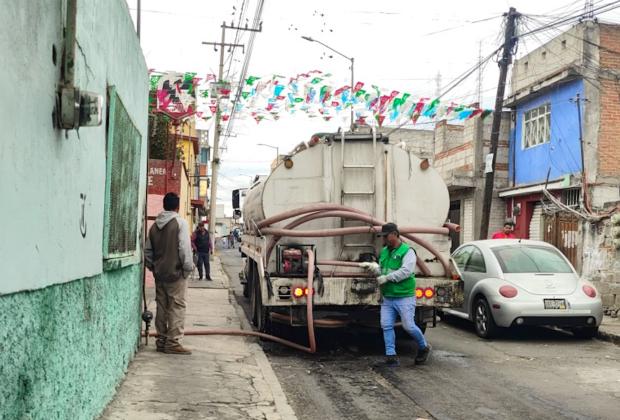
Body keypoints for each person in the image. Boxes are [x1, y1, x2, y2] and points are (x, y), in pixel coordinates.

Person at [362, 223, 432, 367]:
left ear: (394, 234)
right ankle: (391, 356)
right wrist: (375, 269)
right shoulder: (385, 251)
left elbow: (406, 271)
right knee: (386, 325)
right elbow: (383, 270)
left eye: (386, 236)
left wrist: (387, 278)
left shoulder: (408, 251)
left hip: (404, 296)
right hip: (388, 297)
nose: (384, 239)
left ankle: (424, 347)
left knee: (408, 326)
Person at [145, 192, 194, 355]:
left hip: (160, 274)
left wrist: (153, 267)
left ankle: (161, 340)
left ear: (164, 205)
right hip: (176, 274)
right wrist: (187, 270)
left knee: (162, 307)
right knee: (177, 307)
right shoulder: (180, 223)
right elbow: (185, 250)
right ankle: (173, 342)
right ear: (177, 206)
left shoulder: (154, 226)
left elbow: (147, 252)